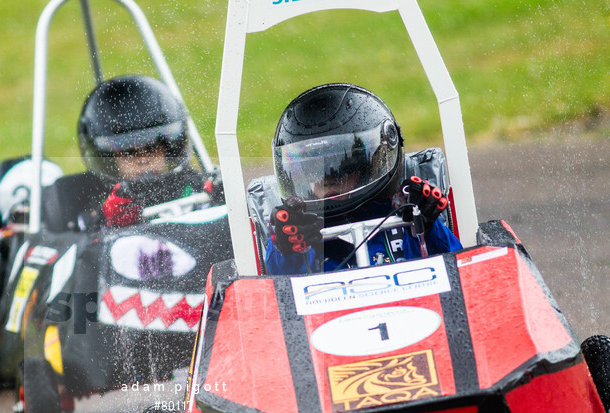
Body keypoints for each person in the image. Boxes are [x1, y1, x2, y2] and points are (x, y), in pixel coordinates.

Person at [265, 83, 462, 274]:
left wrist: (426, 226)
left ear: (368, 166)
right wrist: (285, 246)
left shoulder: (404, 217)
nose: (327, 179)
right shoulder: (299, 238)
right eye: (313, 169)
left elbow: (458, 270)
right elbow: (278, 285)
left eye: (341, 166)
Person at [77, 75, 218, 227]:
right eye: (129, 152)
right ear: (109, 158)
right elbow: (85, 234)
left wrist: (220, 194)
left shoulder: (194, 185)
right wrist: (109, 220)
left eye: (151, 148)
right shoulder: (102, 202)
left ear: (168, 149)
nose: (143, 160)